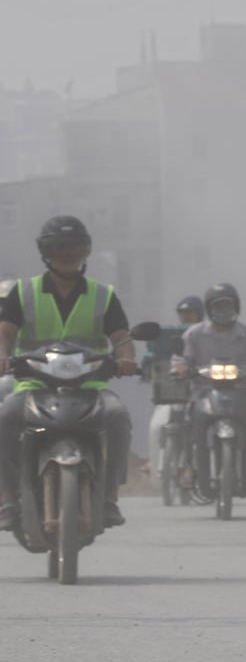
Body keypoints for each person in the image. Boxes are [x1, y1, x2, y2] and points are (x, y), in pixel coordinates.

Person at [0, 216, 139, 529]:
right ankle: (7, 498)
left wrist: (126, 360)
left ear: (85, 250)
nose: (66, 253)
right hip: (34, 383)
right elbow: (5, 334)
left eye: (74, 246)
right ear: (45, 251)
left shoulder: (104, 295)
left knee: (118, 416)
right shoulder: (23, 293)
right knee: (5, 417)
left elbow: (121, 339)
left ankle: (110, 498)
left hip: (90, 384)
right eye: (58, 247)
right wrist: (3, 356)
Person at [170, 283, 246, 490]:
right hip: (204, 390)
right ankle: (190, 467)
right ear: (209, 309)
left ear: (237, 307)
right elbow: (181, 358)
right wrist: (181, 369)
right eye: (218, 307)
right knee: (189, 424)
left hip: (242, 390)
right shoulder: (193, 334)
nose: (223, 311)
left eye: (228, 306)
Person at [143, 294, 205, 484]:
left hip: (204, 392)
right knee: (156, 427)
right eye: (182, 313)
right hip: (176, 392)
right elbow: (159, 359)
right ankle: (157, 466)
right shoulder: (172, 337)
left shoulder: (209, 335)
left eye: (190, 313)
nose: (186, 317)